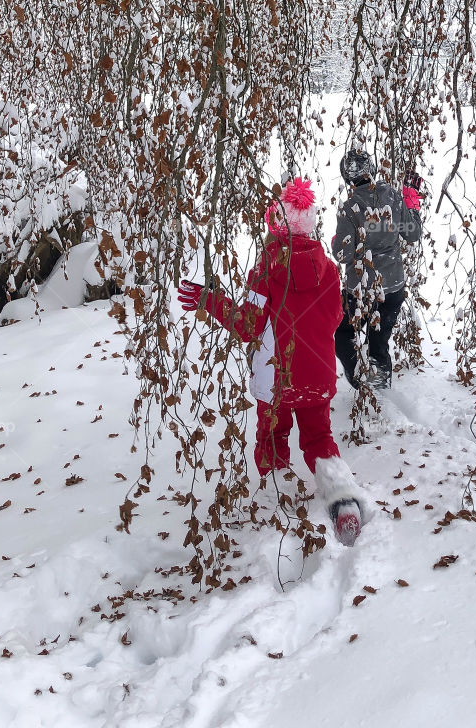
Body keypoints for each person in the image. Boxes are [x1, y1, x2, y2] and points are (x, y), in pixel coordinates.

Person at [177, 177, 366, 544]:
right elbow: (335, 317)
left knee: (273, 436)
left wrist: (211, 300)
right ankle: (344, 502)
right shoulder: (328, 270)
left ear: (275, 227)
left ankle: (279, 509)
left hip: (276, 380)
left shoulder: (265, 270)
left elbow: (248, 325)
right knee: (320, 438)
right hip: (318, 373)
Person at [331, 150, 423, 390]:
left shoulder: (349, 208)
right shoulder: (392, 196)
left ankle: (361, 384)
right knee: (379, 342)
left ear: (348, 178)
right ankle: (379, 393)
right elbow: (412, 233)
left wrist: (338, 239)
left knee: (343, 336)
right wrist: (411, 202)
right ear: (371, 170)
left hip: (361, 290)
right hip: (393, 288)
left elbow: (342, 254)